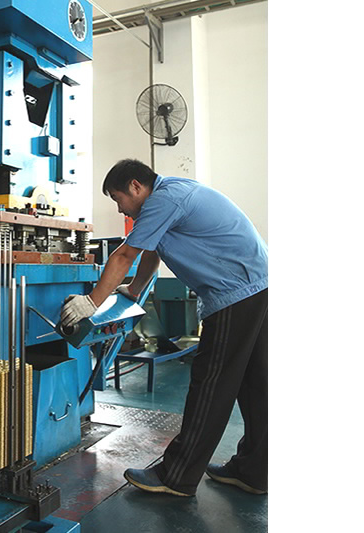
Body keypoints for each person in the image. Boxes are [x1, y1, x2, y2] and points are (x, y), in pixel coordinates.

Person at [60, 159, 268, 497]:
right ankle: (256, 471)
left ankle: (177, 476)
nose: (119, 208)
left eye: (118, 199)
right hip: (259, 287)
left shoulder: (163, 200)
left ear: (135, 186)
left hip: (234, 294)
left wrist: (91, 303)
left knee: (211, 385)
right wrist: (134, 290)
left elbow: (125, 255)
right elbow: (151, 253)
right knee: (255, 383)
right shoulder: (175, 193)